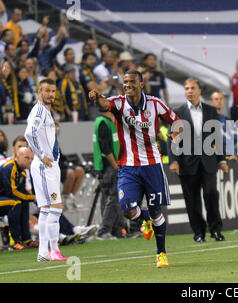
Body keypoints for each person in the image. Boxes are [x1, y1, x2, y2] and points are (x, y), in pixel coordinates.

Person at [89, 69, 182, 267]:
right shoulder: (119, 102)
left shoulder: (156, 104)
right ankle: (144, 220)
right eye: (125, 82)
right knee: (126, 208)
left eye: (132, 82)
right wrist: (97, 98)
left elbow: (176, 120)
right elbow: (105, 104)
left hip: (152, 165)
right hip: (128, 167)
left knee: (157, 210)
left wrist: (175, 133)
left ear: (141, 84)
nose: (128, 85)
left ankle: (161, 253)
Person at [168, 78, 229, 243]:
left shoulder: (210, 110)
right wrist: (173, 160)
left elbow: (217, 136)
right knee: (192, 200)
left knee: (211, 193)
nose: (189, 91)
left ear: (199, 91)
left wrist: (222, 160)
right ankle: (198, 232)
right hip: (186, 163)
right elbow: (171, 138)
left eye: (192, 88)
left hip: (208, 161)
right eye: (186, 88)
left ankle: (216, 230)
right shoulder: (177, 112)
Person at [24, 77, 68, 261]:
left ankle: (43, 253)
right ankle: (54, 250)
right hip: (45, 165)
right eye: (47, 91)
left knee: (46, 209)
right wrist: (42, 155)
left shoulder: (44, 111)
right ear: (39, 92)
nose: (51, 94)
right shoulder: (40, 110)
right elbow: (29, 133)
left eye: (53, 91)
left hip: (46, 165)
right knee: (56, 207)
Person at [93, 110, 126, 239]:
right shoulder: (103, 123)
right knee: (113, 199)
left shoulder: (106, 122)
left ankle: (117, 231)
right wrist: (115, 166)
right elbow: (105, 147)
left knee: (114, 199)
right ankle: (104, 230)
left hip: (110, 166)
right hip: (110, 167)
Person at [0, 147, 38, 250]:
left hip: (4, 199)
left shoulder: (23, 172)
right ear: (17, 157)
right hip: (4, 198)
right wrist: (34, 198)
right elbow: (12, 192)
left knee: (23, 202)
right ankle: (15, 241)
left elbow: (22, 193)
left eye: (31, 158)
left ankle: (26, 239)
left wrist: (32, 199)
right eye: (26, 158)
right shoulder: (9, 168)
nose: (30, 161)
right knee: (15, 203)